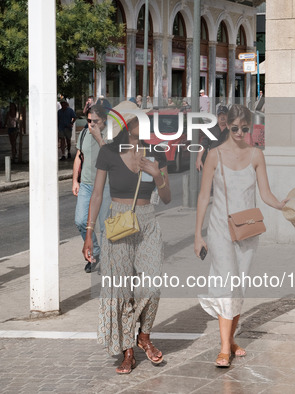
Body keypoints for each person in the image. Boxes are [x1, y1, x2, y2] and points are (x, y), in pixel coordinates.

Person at [193, 105, 292, 368]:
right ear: (227, 126)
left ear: (249, 128)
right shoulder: (214, 155)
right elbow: (204, 197)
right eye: (234, 127)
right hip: (219, 228)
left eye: (244, 128)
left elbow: (266, 194)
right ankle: (225, 348)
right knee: (226, 284)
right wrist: (197, 235)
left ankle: (231, 339)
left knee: (238, 286)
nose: (239, 133)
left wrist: (286, 204)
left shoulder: (257, 155)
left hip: (247, 228)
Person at [82, 101, 171, 374]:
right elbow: (97, 194)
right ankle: (128, 351)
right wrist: (88, 234)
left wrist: (158, 176)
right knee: (120, 290)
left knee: (153, 283)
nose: (141, 124)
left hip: (148, 222)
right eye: (135, 120)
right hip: (118, 220)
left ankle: (143, 335)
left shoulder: (156, 151)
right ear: (124, 124)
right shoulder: (108, 152)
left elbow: (167, 198)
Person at [72, 104, 111, 273]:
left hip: (106, 185)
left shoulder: (111, 135)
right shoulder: (83, 133)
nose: (91, 125)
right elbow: (79, 157)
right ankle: (95, 251)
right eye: (89, 121)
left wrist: (99, 138)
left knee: (104, 225)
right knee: (80, 220)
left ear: (104, 120)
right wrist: (75, 180)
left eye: (95, 121)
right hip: (87, 185)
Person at [196, 105, 229, 171]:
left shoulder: (232, 130)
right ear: (217, 116)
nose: (222, 117)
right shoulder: (212, 129)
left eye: (224, 115)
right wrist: (198, 159)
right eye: (220, 115)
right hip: (214, 162)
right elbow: (203, 145)